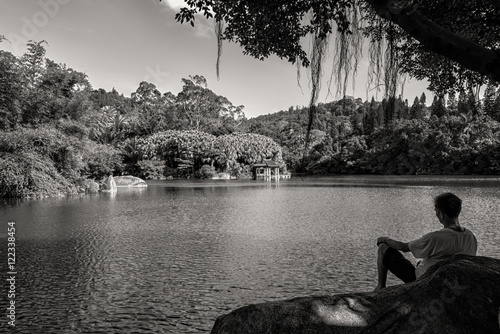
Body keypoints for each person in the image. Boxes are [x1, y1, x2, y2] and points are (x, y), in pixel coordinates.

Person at [374, 192, 477, 290]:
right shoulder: (471, 236)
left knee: (383, 248)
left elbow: (403, 247)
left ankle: (380, 286)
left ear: (440, 213)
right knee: (420, 263)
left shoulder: (435, 237)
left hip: (423, 280)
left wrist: (384, 239)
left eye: (436, 211)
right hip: (452, 281)